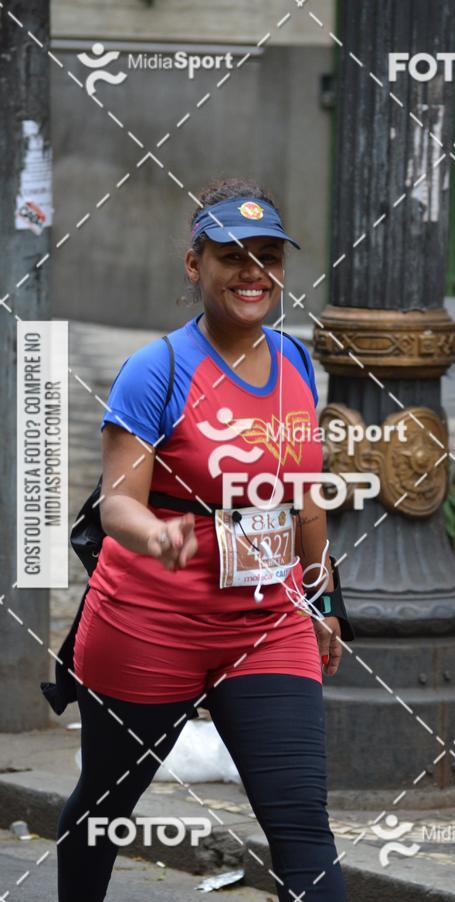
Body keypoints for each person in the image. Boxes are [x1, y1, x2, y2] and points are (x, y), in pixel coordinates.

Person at [56, 177, 353, 901]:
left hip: (265, 624)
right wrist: (155, 532)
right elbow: (118, 505)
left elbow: (303, 496)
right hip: (149, 626)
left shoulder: (294, 364)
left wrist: (323, 599)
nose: (254, 272)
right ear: (196, 266)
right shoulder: (157, 369)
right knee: (105, 806)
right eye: (232, 256)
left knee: (303, 833)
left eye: (269, 256)